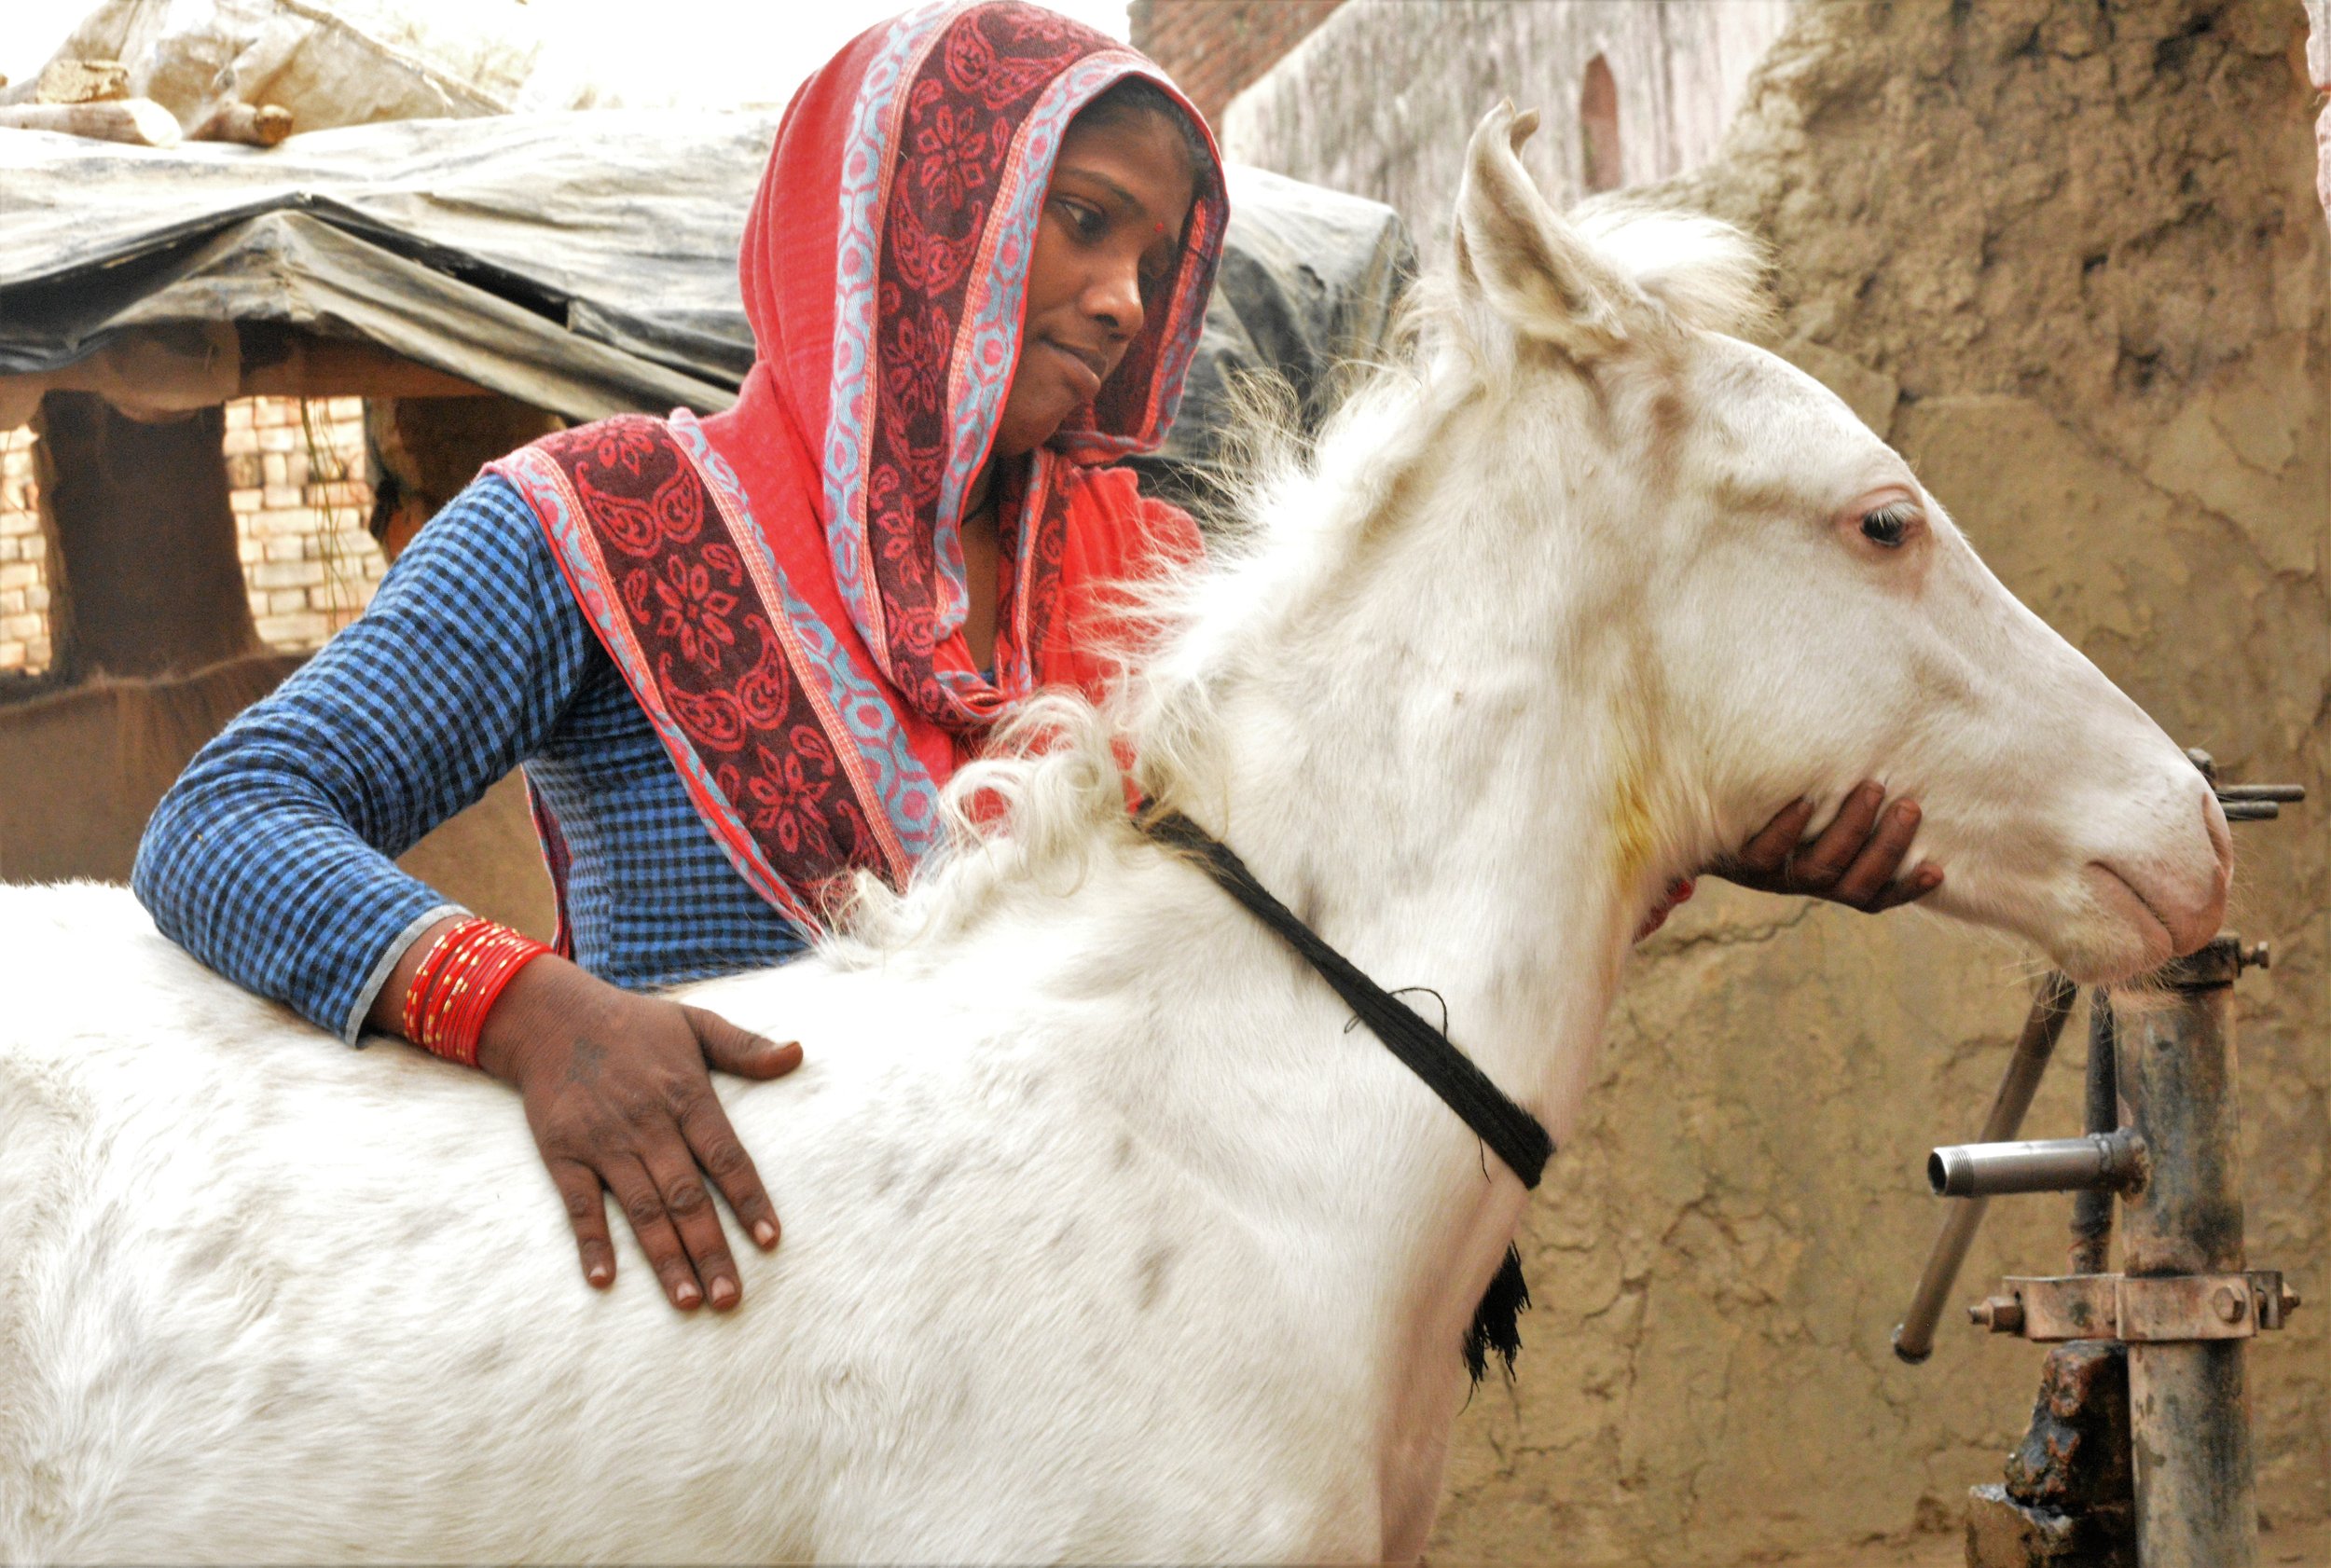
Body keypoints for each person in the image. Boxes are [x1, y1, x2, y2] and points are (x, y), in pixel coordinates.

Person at [134, 0, 1938, 1319]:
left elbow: (1331, 952)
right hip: (721, 1347)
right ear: (914, 227)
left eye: (1154, 253)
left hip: (1096, 1363)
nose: (1129, 299)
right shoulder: (594, 527)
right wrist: (532, 1016)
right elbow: (228, 818)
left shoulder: (1154, 575)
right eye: (1083, 223)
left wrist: (1684, 842)